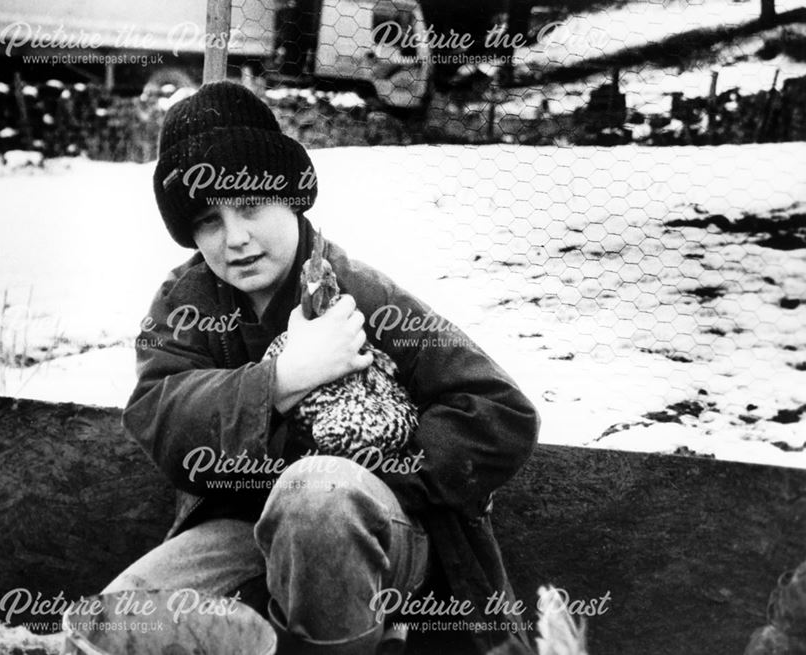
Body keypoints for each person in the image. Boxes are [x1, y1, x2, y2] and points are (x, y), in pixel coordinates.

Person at [106, 80, 540, 655]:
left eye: (250, 205)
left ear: (288, 195)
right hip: (245, 528)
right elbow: (161, 418)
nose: (236, 238)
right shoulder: (188, 304)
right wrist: (283, 379)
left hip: (377, 538)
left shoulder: (360, 294)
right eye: (209, 219)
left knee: (317, 496)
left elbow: (500, 410)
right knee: (120, 620)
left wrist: (387, 472)